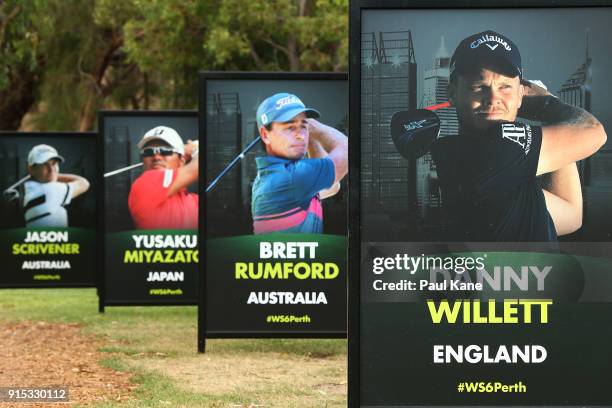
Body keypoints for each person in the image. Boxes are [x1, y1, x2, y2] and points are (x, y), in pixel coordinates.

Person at [430, 30, 606, 241]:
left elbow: (570, 215)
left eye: (505, 87)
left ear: (521, 94)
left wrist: (548, 117)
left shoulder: (508, 170)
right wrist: (547, 104)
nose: (493, 98)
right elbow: (594, 132)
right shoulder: (498, 151)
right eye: (479, 87)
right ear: (452, 94)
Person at [251, 93, 348, 234]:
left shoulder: (270, 176)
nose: (300, 135)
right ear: (265, 135)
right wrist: (318, 129)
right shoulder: (290, 177)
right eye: (290, 127)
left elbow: (332, 186)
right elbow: (347, 150)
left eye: (303, 127)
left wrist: (311, 137)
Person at [128, 126, 199, 230]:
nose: (156, 157)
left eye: (165, 151)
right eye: (149, 152)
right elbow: (196, 168)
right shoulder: (144, 184)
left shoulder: (195, 201)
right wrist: (195, 150)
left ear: (182, 161)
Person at [23, 144, 90, 227]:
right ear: (31, 169)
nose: (51, 169)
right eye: (45, 164)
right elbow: (84, 183)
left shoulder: (31, 190)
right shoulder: (50, 190)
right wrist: (55, 174)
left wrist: (51, 175)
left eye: (54, 164)